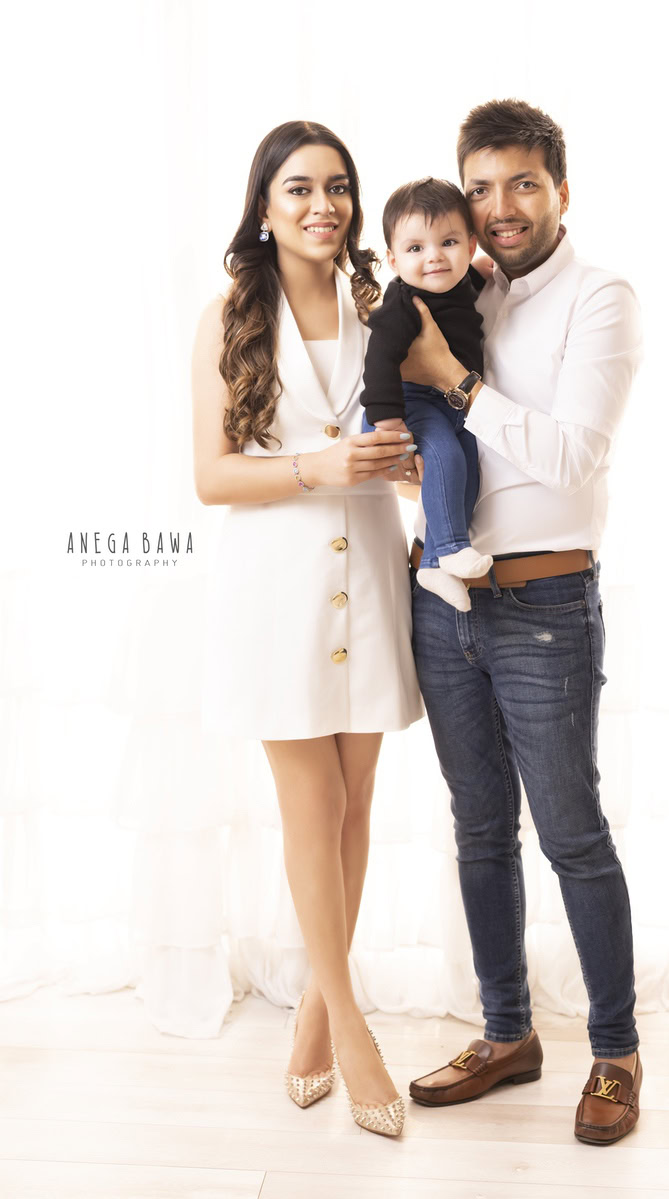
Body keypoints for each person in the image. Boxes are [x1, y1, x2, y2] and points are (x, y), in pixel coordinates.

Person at [401, 99, 645, 1146]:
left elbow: (566, 457)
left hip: (544, 605)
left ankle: (615, 1049)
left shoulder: (600, 298)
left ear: (559, 191)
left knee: (571, 834)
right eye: (481, 186)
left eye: (520, 185)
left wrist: (448, 381)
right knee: (475, 828)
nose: (498, 209)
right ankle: (507, 1033)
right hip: (445, 603)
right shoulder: (457, 288)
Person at [191, 120, 424, 1138]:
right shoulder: (227, 317)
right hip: (276, 589)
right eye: (299, 189)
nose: (322, 204)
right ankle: (353, 1028)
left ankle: (314, 1019)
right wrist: (313, 468)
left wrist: (411, 461)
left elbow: (415, 435)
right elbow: (208, 476)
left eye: (337, 187)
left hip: (369, 574)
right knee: (312, 802)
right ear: (264, 207)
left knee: (356, 802)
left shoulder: (382, 307)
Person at [360, 178, 490, 611]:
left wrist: (486, 271)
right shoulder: (403, 303)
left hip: (452, 406)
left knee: (469, 466)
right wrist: (388, 422)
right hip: (408, 405)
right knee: (445, 458)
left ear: (471, 246)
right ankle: (452, 546)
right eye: (416, 249)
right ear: (394, 260)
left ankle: (434, 564)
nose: (434, 256)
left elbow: (465, 278)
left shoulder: (460, 281)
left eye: (448, 242)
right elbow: (378, 359)